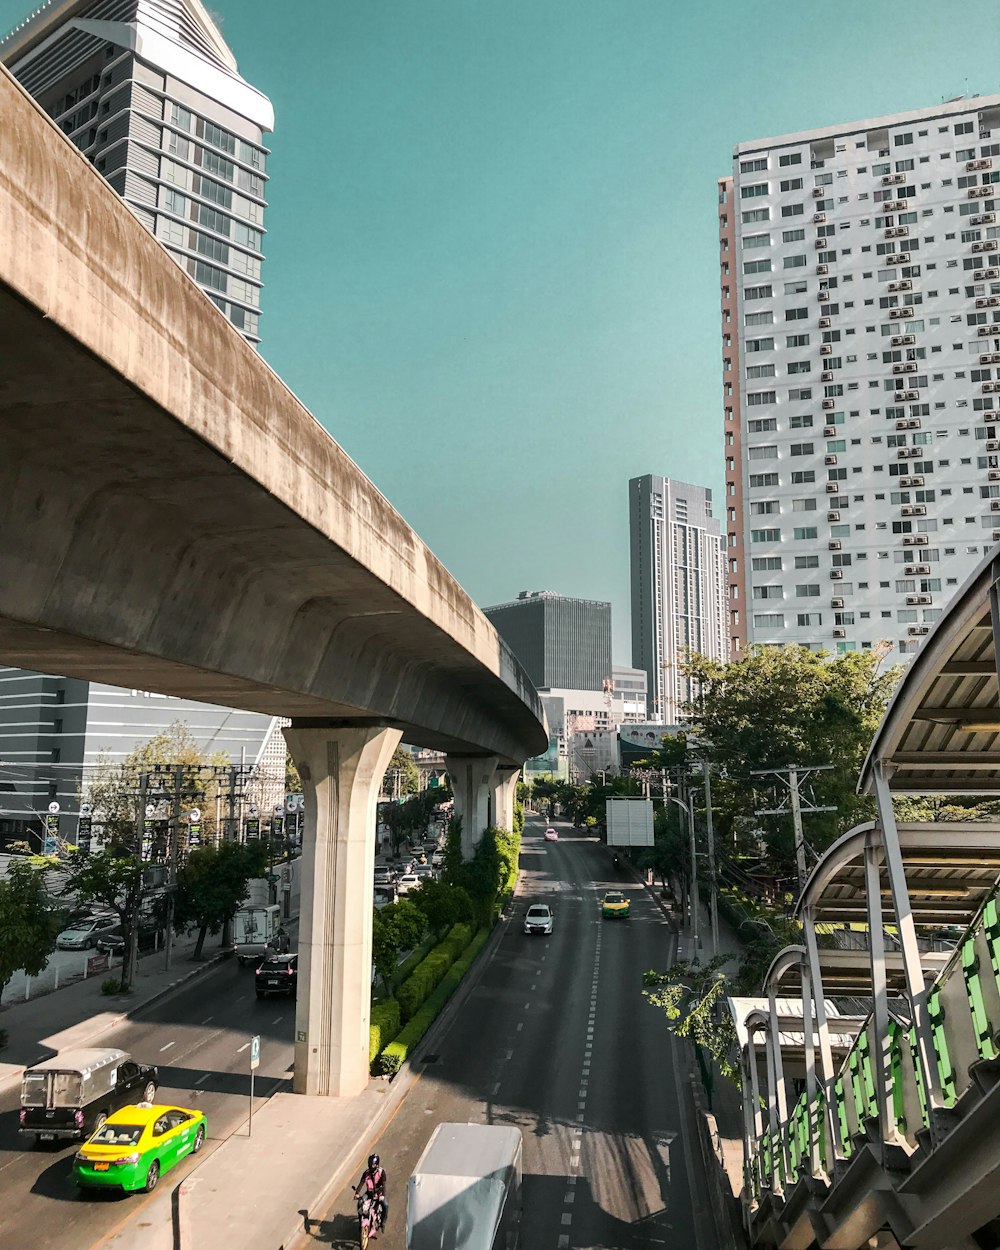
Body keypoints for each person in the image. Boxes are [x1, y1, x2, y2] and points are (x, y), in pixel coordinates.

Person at [354, 1153, 388, 1233]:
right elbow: (361, 1183)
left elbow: (383, 1185)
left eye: (372, 1165)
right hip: (369, 1193)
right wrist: (357, 1193)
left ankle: (383, 1223)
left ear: (376, 1164)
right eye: (370, 1164)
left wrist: (382, 1195)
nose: (371, 1166)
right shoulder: (366, 1173)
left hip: (379, 1194)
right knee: (360, 1203)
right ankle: (360, 1222)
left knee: (385, 1205)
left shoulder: (381, 1172)